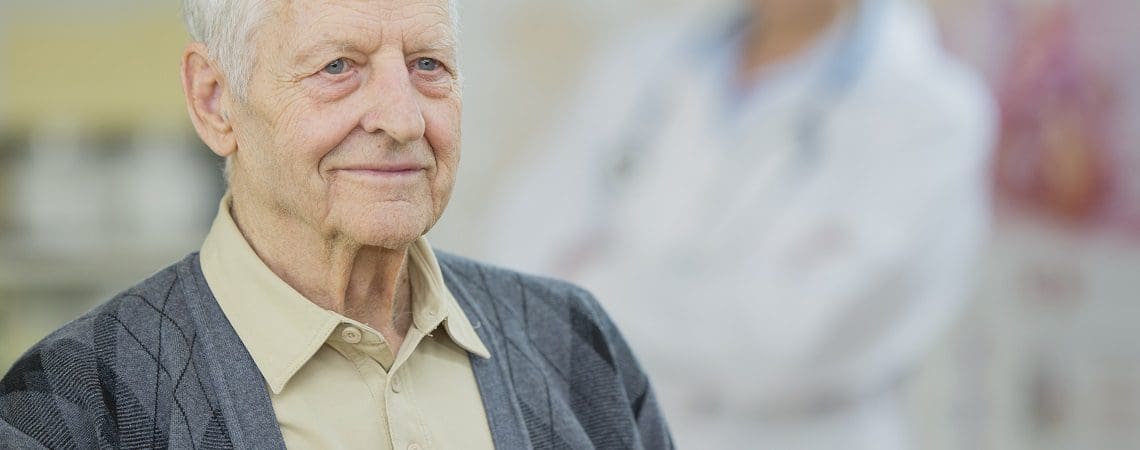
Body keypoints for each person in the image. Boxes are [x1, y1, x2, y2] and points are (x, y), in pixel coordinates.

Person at [0, 0, 672, 448]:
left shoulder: (574, 344)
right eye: (338, 68)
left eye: (428, 65)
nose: (403, 119)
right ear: (214, 101)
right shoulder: (74, 405)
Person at [482, 0, 994, 448]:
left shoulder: (932, 114)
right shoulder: (642, 65)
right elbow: (515, 263)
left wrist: (590, 289)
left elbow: (787, 340)